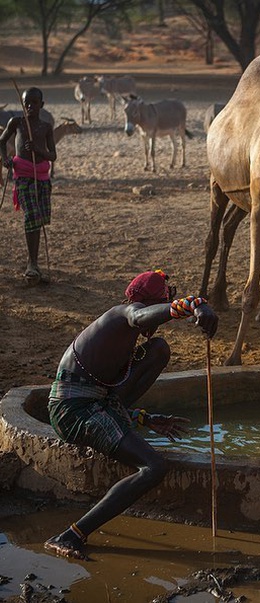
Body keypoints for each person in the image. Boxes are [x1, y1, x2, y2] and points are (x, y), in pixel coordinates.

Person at [44, 270, 219, 560]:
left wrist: (145, 419)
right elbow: (140, 317)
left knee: (159, 349)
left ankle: (73, 533)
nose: (156, 320)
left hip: (95, 403)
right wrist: (193, 304)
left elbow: (107, 395)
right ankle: (70, 535)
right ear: (148, 304)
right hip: (73, 410)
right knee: (154, 467)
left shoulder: (129, 339)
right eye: (162, 304)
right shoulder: (124, 314)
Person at [0, 87, 56, 280]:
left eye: (34, 102)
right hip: (22, 176)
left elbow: (53, 156)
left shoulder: (46, 127)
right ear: (23, 106)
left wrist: (38, 150)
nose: (31, 106)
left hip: (41, 178)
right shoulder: (16, 123)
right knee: (31, 214)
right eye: (27, 103)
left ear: (42, 104)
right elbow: (2, 141)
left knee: (38, 219)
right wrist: (6, 159)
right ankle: (31, 263)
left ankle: (34, 261)